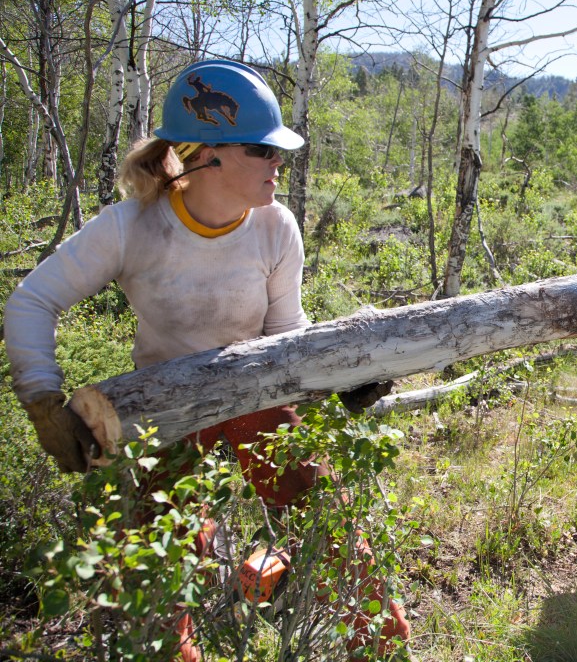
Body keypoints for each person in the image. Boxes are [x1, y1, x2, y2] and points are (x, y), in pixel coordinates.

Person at [4, 60, 410, 660]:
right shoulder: (131, 226)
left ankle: (378, 644)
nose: (278, 163)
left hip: (256, 396)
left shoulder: (276, 226)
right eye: (261, 150)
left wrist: (335, 380)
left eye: (278, 152)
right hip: (163, 411)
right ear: (207, 156)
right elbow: (32, 300)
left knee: (328, 527)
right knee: (154, 564)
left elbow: (286, 334)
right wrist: (42, 401)